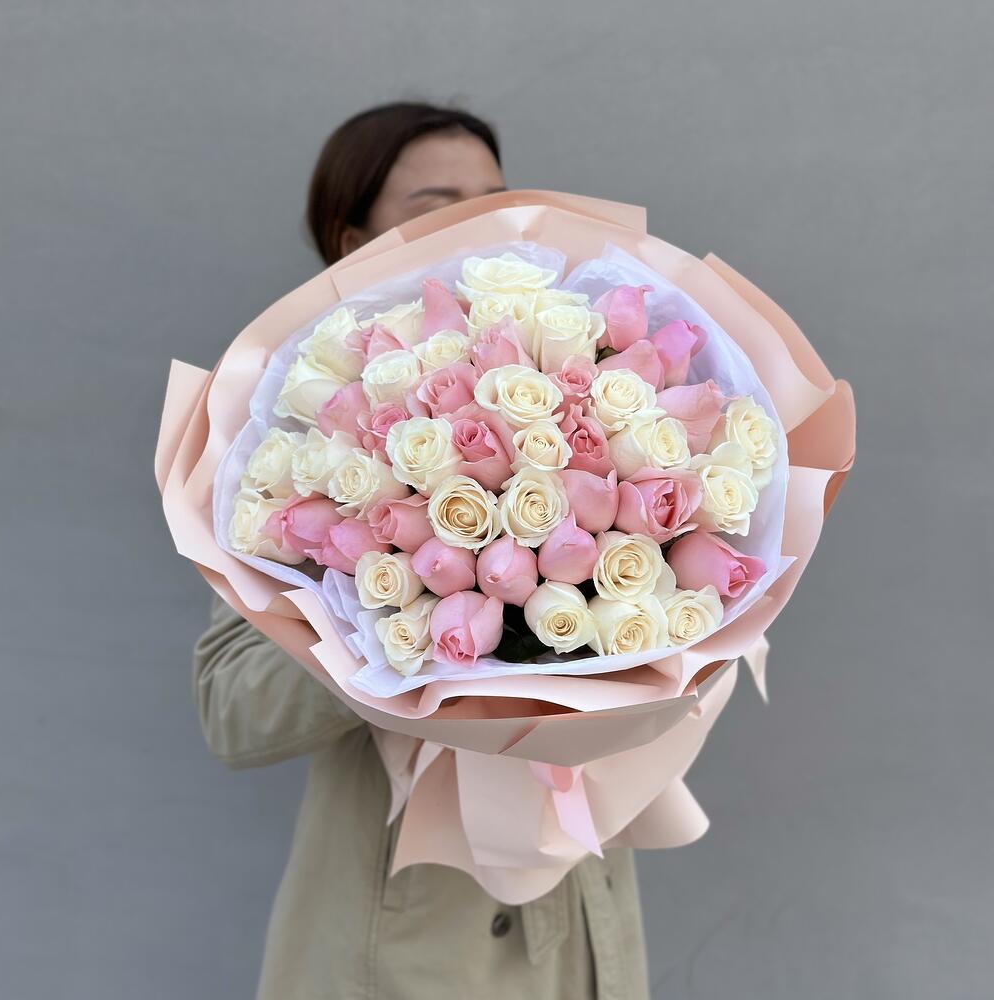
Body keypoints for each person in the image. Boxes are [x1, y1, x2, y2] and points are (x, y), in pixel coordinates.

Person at [194, 101, 650, 1000]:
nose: (480, 227)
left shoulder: (587, 385)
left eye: (496, 201)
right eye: (438, 208)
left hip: (581, 926)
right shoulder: (302, 448)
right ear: (352, 241)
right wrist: (392, 596)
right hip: (405, 942)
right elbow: (232, 710)